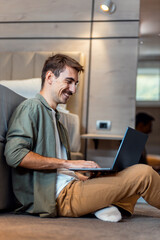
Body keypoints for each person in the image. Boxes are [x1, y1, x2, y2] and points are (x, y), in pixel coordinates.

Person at [5, 54, 160, 222]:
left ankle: (103, 205)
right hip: (58, 197)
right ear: (50, 77)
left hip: (71, 186)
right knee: (144, 174)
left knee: (130, 178)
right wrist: (69, 163)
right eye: (69, 81)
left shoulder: (57, 120)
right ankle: (101, 205)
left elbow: (57, 170)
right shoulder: (31, 108)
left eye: (75, 84)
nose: (73, 90)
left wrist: (81, 176)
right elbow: (14, 155)